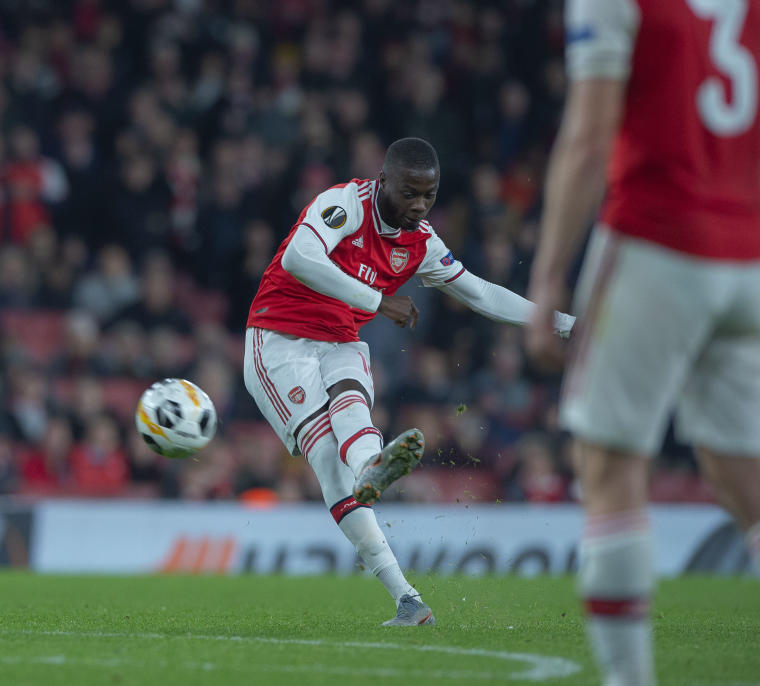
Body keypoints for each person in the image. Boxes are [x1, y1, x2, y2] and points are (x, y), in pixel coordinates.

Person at [244, 137, 575, 626]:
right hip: (278, 339)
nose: (419, 206)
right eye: (409, 193)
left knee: (353, 409)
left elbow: (480, 293)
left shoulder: (420, 241)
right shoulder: (344, 205)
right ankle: (400, 584)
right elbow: (297, 258)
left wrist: (564, 323)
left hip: (340, 339)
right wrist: (376, 300)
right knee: (325, 459)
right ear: (383, 182)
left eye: (429, 196)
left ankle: (375, 483)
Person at [525, 2, 760, 684]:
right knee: (739, 468)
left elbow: (589, 137)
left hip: (658, 243)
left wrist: (547, 278)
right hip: (747, 256)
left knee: (609, 462)